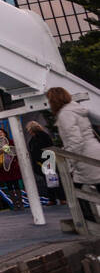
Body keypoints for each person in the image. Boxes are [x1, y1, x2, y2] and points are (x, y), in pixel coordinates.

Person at [47, 86, 100, 222]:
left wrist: (70, 161)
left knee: (76, 190)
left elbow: (75, 139)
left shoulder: (65, 114)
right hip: (94, 150)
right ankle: (88, 219)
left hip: (84, 156)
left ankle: (88, 221)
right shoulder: (76, 109)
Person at [26, 119, 65, 204]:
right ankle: (57, 198)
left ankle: (57, 198)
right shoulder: (41, 136)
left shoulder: (37, 138)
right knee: (52, 180)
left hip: (45, 161)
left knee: (52, 180)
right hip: (46, 161)